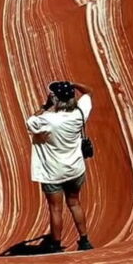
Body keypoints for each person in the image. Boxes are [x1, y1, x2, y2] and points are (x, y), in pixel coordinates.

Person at [25, 80, 94, 253]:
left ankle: (55, 245)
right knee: (75, 203)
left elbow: (31, 121)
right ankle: (84, 241)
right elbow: (89, 92)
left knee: (55, 209)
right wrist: (74, 84)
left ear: (55, 99)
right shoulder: (80, 113)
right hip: (75, 169)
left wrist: (46, 106)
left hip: (53, 172)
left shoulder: (48, 120)